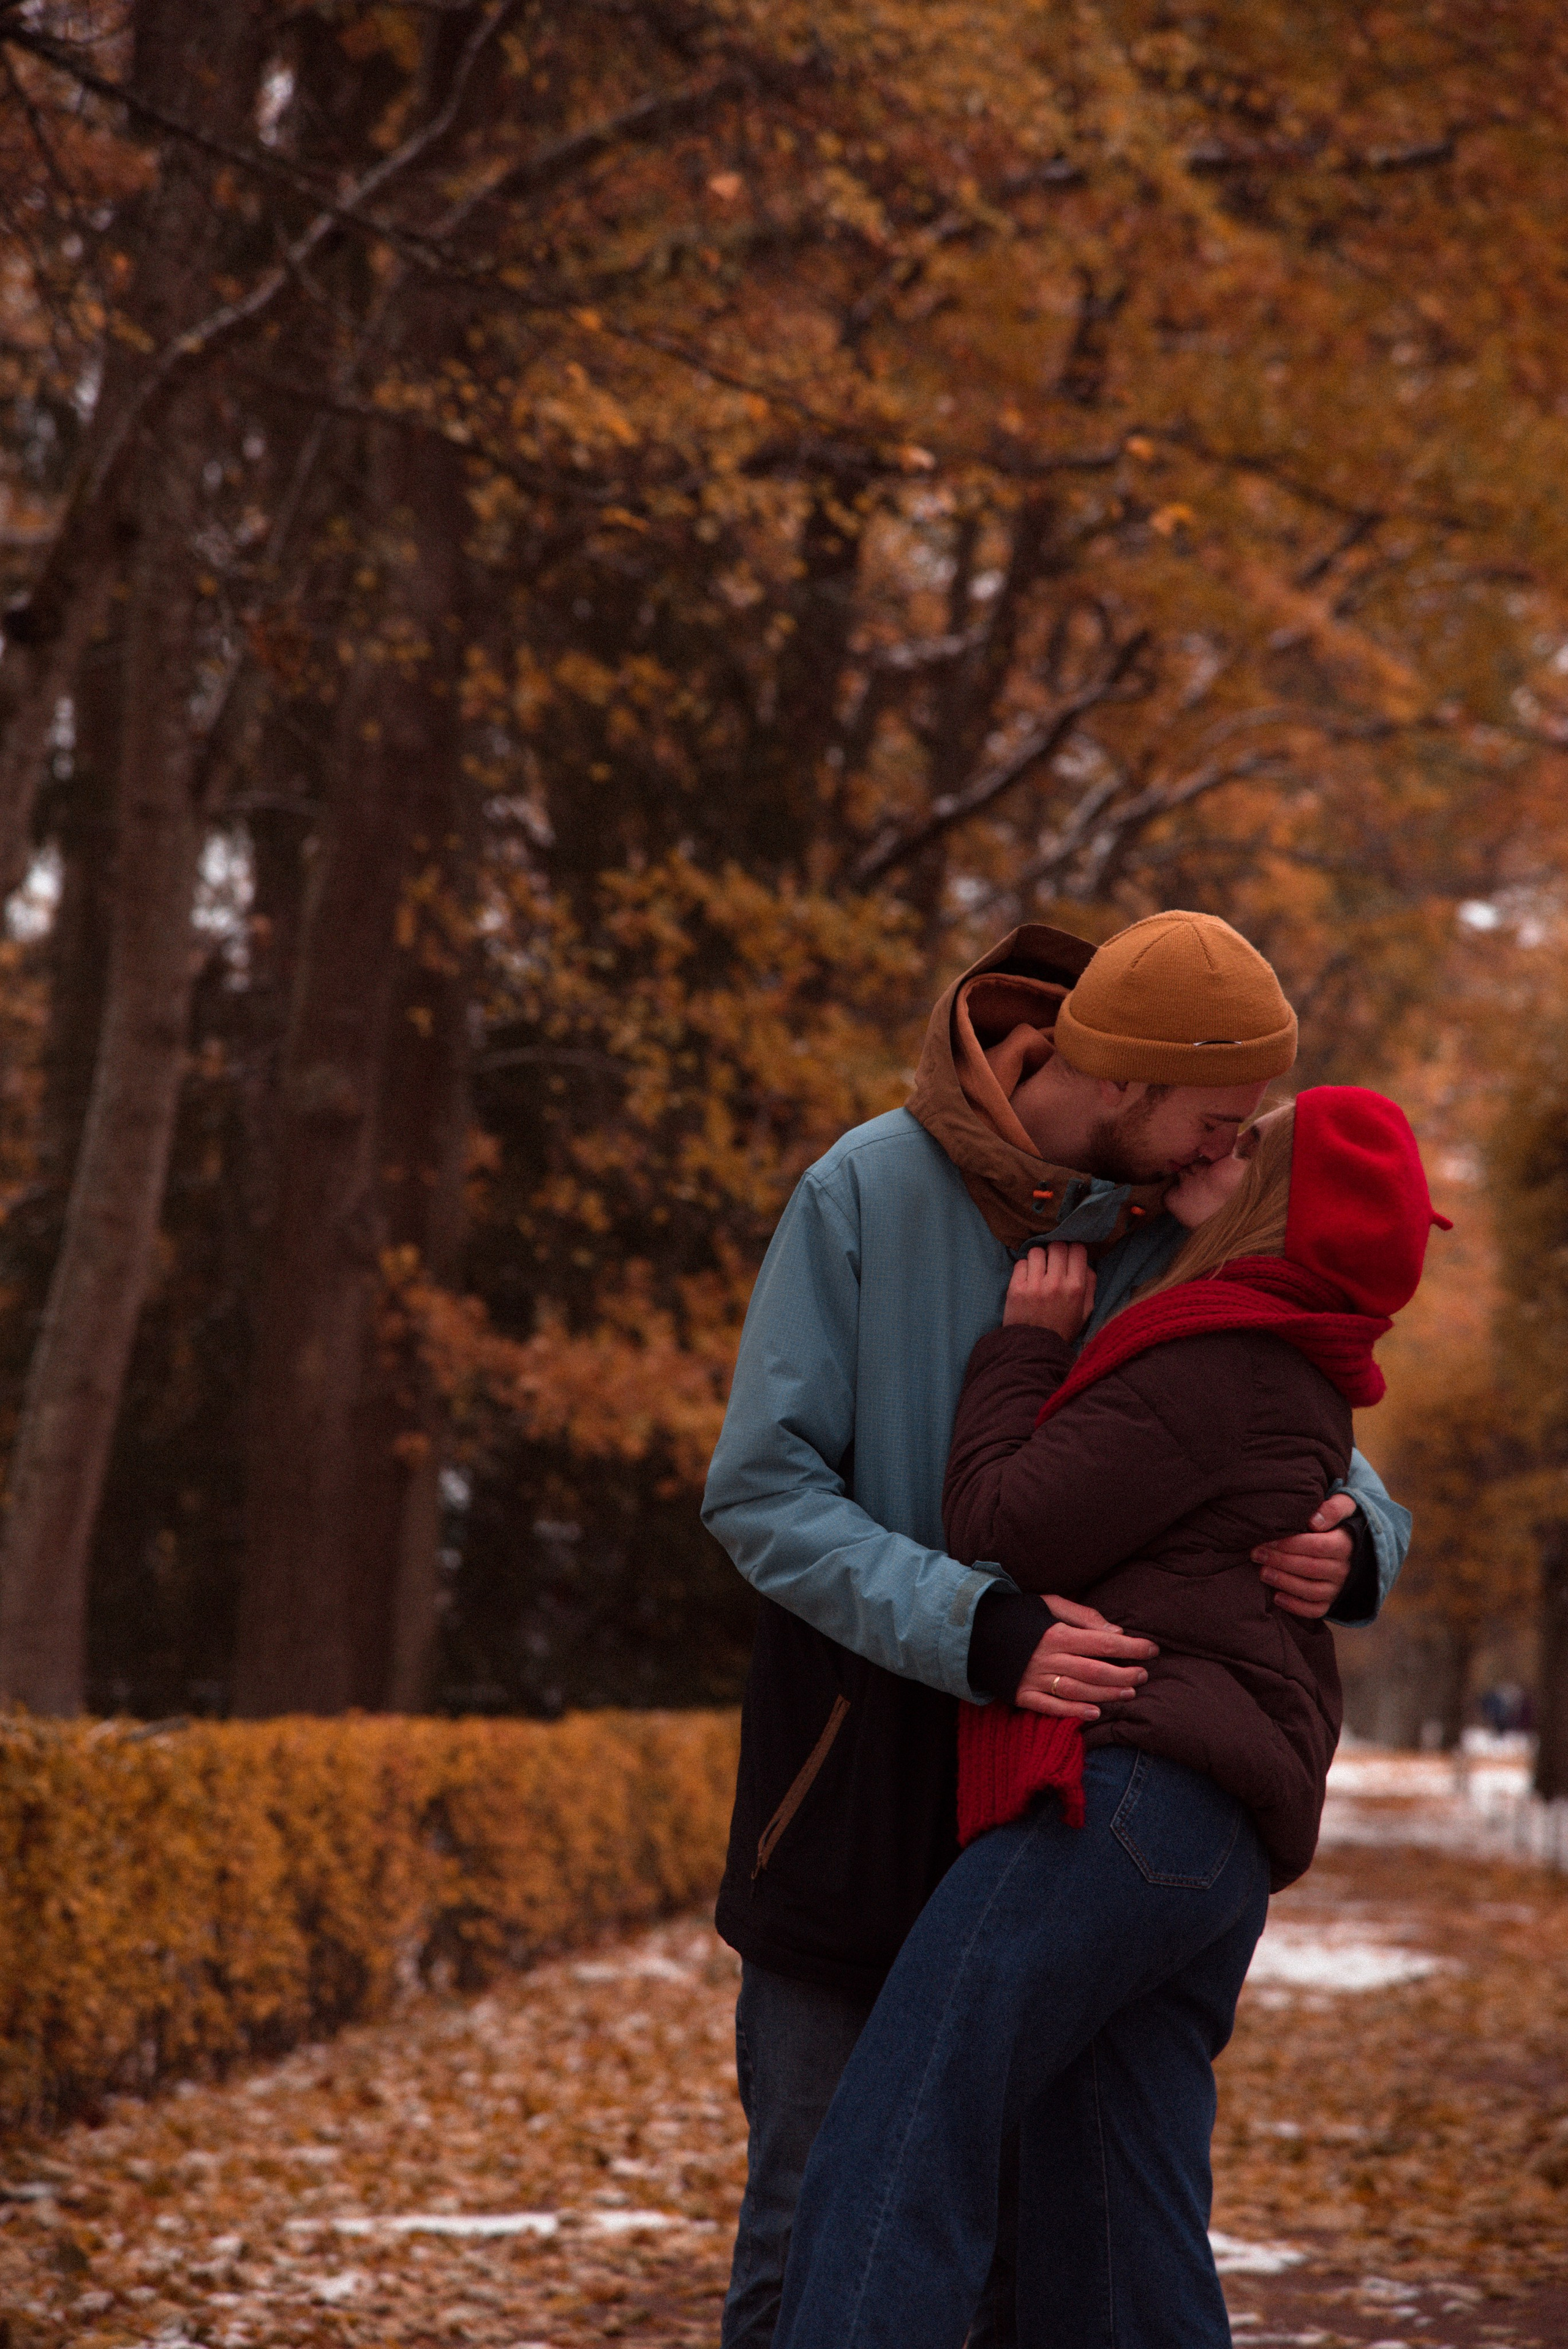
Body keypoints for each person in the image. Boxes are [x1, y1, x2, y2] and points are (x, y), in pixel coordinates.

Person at [703, 913, 1411, 2348]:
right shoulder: (863, 1188)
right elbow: (761, 1489)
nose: (1231, 1148)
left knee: (1039, 2260)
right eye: (1216, 1117)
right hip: (856, 1779)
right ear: (1126, 1081)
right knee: (816, 2222)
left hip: (1063, 1790)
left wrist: (1357, 1538)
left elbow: (1281, 1402)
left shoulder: (1172, 1214)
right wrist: (978, 1627)